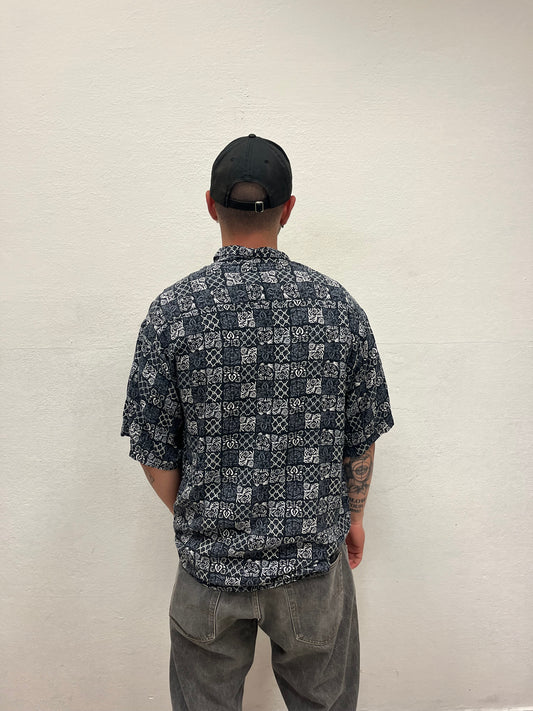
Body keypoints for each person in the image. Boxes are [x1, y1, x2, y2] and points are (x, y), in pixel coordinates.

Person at [121, 134, 394, 711]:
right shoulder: (337, 308)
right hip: (313, 564)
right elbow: (361, 436)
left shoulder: (173, 313)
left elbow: (154, 453)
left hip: (209, 567)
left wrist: (210, 515)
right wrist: (354, 516)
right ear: (288, 209)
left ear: (210, 205)